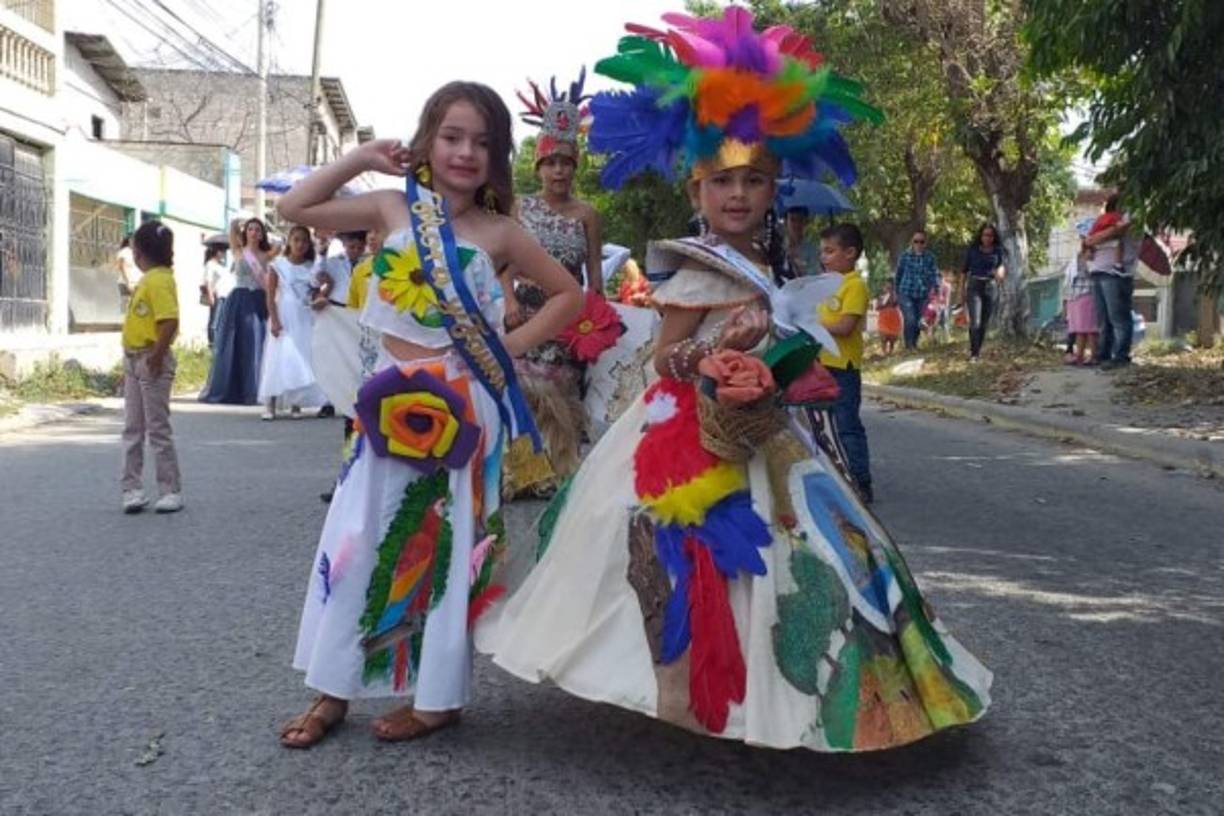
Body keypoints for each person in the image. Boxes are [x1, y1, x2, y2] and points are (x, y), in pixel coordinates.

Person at [481, 7, 990, 754]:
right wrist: (703, 358)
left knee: (805, 548)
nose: (738, 194)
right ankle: (681, 681)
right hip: (688, 426)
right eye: (722, 181)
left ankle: (798, 688)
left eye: (753, 180)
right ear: (697, 190)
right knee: (670, 547)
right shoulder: (692, 266)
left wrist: (776, 355)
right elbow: (664, 356)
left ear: (772, 187)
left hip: (764, 426)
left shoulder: (777, 267)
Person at [275, 81, 582, 748]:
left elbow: (569, 295)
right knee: (360, 536)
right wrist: (360, 157)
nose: (466, 152)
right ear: (426, 141)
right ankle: (334, 689)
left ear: (498, 155)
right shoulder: (389, 207)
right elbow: (294, 207)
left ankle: (439, 697)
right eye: (451, 137)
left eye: (481, 141)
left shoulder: (503, 232)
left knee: (445, 545)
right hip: (388, 403)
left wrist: (510, 345)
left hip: (465, 407)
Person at [500, 71, 604, 499]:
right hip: (523, 311)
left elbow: (594, 275)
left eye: (566, 162)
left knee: (561, 396)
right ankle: (519, 472)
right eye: (552, 163)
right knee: (524, 392)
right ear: (538, 166)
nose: (559, 171)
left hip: (569, 319)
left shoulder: (587, 215)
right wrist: (508, 300)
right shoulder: (518, 207)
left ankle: (557, 473)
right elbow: (502, 262)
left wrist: (599, 325)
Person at [119, 220, 183, 515]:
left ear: (141, 252)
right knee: (133, 427)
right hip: (133, 359)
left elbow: (169, 321)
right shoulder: (149, 279)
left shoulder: (159, 280)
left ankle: (170, 490)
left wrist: (156, 358)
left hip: (150, 358)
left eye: (134, 248)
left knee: (156, 428)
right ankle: (132, 489)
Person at [819, 223, 874, 503]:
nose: (825, 257)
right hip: (820, 366)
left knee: (847, 425)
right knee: (820, 426)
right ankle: (835, 479)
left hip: (843, 368)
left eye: (830, 251)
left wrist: (813, 323)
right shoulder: (824, 285)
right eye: (823, 252)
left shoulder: (854, 286)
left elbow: (844, 326)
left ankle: (861, 481)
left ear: (850, 253)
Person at [199, 218, 273, 404]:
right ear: (245, 232)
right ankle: (232, 388)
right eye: (250, 229)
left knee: (257, 341)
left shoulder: (267, 254)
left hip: (258, 299)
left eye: (258, 229)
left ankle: (254, 389)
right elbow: (232, 229)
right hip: (239, 300)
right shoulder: (239, 251)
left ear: (263, 234)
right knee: (235, 342)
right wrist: (237, 222)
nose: (254, 232)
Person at [258, 225, 326, 419]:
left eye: (304, 241)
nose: (300, 244)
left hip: (303, 315)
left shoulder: (310, 267)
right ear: (289, 241)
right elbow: (270, 296)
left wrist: (320, 295)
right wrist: (275, 320)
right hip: (284, 313)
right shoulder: (278, 265)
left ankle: (296, 403)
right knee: (277, 356)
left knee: (300, 357)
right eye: (296, 240)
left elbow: (314, 292)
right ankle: (270, 404)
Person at [1083, 193, 1135, 369]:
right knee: (1103, 319)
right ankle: (1103, 355)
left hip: (1116, 274)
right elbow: (1088, 241)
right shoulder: (1103, 219)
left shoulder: (1130, 215)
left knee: (1118, 317)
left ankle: (1121, 356)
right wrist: (1090, 241)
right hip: (1097, 270)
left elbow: (1118, 231)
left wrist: (1093, 239)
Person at [961, 223, 1007, 361]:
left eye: (991, 235)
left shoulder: (997, 251)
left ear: (994, 237)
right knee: (975, 322)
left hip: (990, 287)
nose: (988, 238)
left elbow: (1002, 268)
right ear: (981, 236)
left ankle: (977, 351)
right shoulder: (973, 250)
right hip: (974, 286)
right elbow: (964, 272)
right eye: (985, 235)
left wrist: (999, 273)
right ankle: (973, 354)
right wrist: (961, 292)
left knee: (984, 324)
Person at [894, 230, 938, 351]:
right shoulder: (905, 256)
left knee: (919, 320)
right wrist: (895, 292)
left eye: (921, 242)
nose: (919, 244)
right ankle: (909, 346)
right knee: (910, 318)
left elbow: (934, 275)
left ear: (925, 243)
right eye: (916, 241)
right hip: (905, 293)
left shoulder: (930, 257)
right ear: (912, 242)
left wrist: (936, 289)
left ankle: (913, 344)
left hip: (922, 294)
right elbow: (898, 274)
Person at [1062, 249, 1098, 365]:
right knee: (1079, 330)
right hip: (1075, 298)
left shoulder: (1093, 263)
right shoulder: (1075, 261)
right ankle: (1079, 356)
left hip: (1087, 296)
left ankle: (1093, 356)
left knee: (1090, 330)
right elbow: (1068, 282)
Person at [201, 244, 229, 347]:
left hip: (224, 295)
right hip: (217, 295)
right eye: (223, 251)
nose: (224, 254)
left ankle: (218, 343)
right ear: (217, 252)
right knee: (214, 322)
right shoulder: (210, 264)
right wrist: (211, 296)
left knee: (220, 321)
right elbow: (208, 281)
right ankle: (212, 344)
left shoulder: (221, 265)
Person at [874, 280, 902, 355]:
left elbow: (896, 302)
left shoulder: (895, 295)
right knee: (883, 335)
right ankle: (884, 351)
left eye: (889, 286)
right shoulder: (881, 297)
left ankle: (891, 351)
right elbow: (877, 307)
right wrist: (882, 300)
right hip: (884, 317)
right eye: (885, 286)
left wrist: (891, 294)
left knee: (892, 336)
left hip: (893, 317)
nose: (887, 288)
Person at [115, 234, 141, 312]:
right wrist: (127, 282)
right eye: (132, 240)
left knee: (137, 305)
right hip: (125, 282)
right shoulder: (124, 252)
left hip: (136, 283)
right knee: (125, 304)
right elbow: (120, 267)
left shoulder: (137, 252)